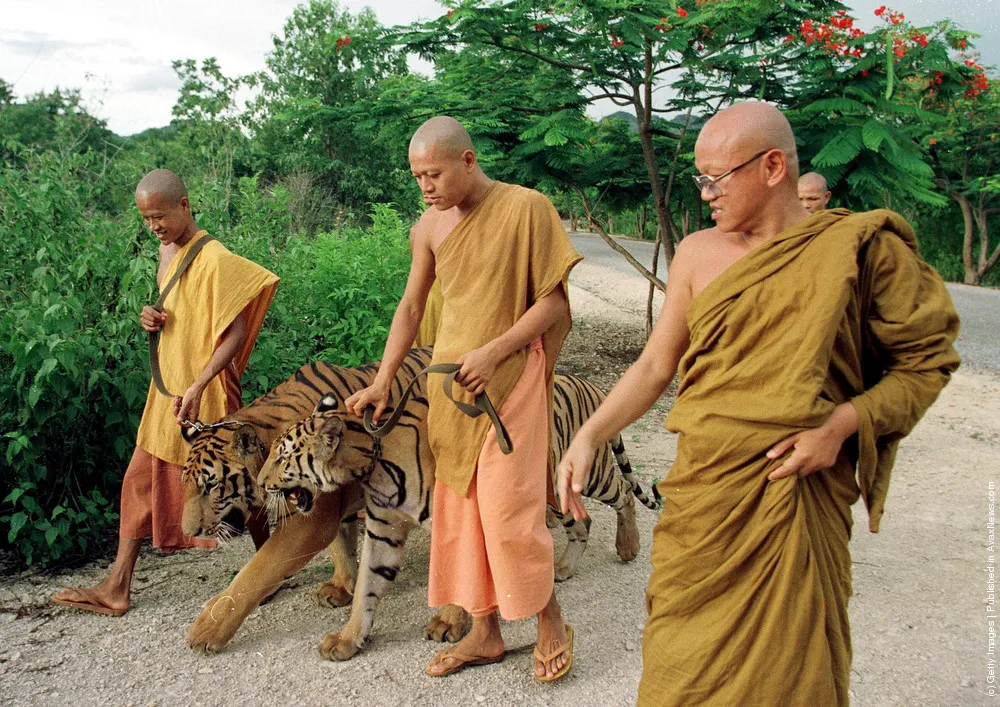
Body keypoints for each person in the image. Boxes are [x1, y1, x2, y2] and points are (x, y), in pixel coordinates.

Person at [558, 102, 960, 705]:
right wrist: (589, 434)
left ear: (773, 166)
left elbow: (926, 361)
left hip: (793, 497)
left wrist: (843, 425)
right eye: (700, 179)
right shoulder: (696, 252)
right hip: (706, 497)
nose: (706, 195)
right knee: (678, 667)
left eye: (715, 179)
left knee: (789, 673)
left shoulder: (858, 250)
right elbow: (654, 364)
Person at [345, 116, 582, 681]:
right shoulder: (427, 227)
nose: (425, 186)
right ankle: (486, 632)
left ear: (469, 161)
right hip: (448, 387)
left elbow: (553, 305)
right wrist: (383, 378)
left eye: (434, 173)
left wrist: (496, 352)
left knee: (508, 514)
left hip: (510, 381)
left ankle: (551, 623)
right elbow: (410, 308)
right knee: (463, 515)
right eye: (417, 176)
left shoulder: (527, 208)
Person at [52, 169, 279, 617]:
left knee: (239, 481)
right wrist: (151, 317)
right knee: (140, 477)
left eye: (160, 216)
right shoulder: (165, 251)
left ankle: (270, 569)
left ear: (185, 205)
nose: (154, 226)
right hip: (169, 389)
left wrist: (199, 383)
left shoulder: (215, 258)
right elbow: (176, 309)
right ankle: (118, 586)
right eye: (146, 219)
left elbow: (232, 335)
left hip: (205, 389)